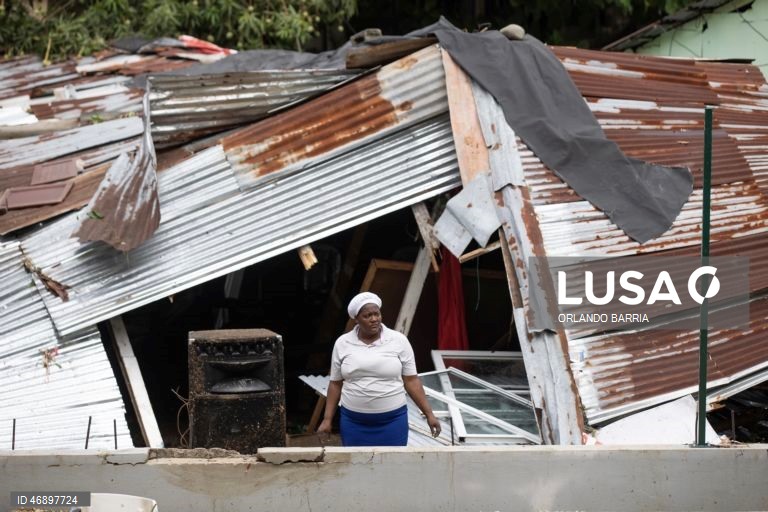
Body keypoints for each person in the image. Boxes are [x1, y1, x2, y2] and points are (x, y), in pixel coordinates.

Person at [317, 292, 441, 446]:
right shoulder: (342, 343)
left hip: (393, 421)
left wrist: (429, 414)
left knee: (392, 464)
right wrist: (327, 419)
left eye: (377, 314)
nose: (374, 319)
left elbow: (411, 380)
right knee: (357, 465)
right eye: (367, 316)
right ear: (356, 319)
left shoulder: (398, 341)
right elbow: (335, 383)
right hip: (354, 422)